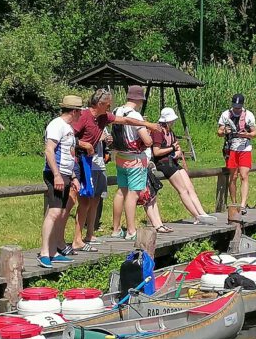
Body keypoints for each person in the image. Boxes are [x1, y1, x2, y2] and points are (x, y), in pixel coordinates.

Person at [71, 89, 157, 251]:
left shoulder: (103, 117)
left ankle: (81, 237)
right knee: (79, 201)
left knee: (88, 200)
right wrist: (85, 144)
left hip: (90, 162)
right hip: (79, 161)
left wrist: (146, 124)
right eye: (109, 103)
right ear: (100, 103)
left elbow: (125, 120)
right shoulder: (84, 116)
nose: (111, 106)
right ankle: (76, 239)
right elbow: (69, 136)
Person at [40, 95, 83, 268]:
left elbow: (68, 155)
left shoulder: (68, 128)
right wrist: (57, 175)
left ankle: (53, 251)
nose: (81, 114)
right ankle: (44, 252)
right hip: (54, 174)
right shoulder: (56, 125)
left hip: (65, 174)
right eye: (79, 111)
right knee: (54, 213)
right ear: (74, 111)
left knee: (61, 213)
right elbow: (49, 151)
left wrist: (73, 177)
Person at [151, 107, 215, 224]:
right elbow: (156, 152)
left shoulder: (170, 132)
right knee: (183, 190)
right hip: (164, 163)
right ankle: (196, 216)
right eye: (171, 120)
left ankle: (202, 213)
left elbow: (177, 147)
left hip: (173, 161)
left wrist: (178, 152)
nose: (173, 122)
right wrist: (172, 149)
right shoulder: (158, 132)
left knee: (190, 188)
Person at [109, 85, 154, 241]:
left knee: (121, 191)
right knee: (133, 194)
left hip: (120, 157)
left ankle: (115, 229)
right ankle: (131, 230)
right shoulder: (136, 116)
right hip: (135, 159)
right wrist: (149, 132)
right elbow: (147, 141)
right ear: (139, 99)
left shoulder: (116, 111)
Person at [217, 93, 256, 213]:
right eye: (235, 107)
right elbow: (219, 131)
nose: (237, 109)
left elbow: (254, 133)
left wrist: (247, 134)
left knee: (244, 176)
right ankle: (234, 203)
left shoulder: (249, 115)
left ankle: (243, 204)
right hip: (231, 148)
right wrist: (224, 131)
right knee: (233, 176)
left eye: (239, 107)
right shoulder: (226, 114)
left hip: (245, 148)